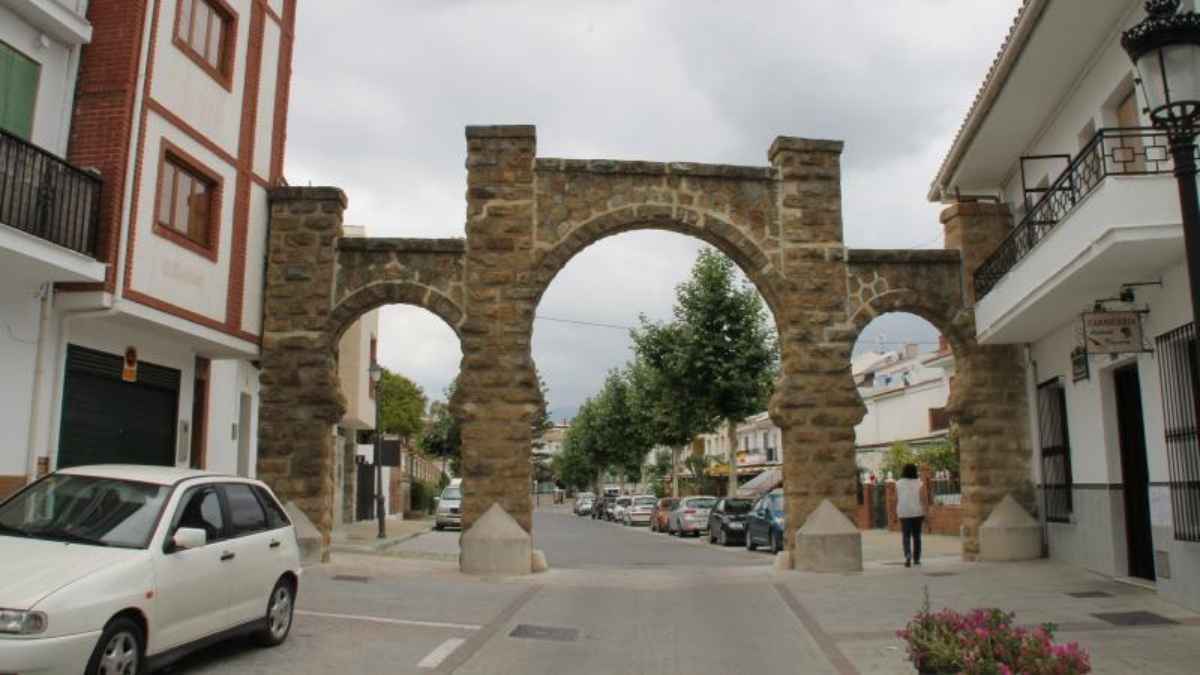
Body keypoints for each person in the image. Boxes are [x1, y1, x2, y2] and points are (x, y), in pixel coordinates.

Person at [895, 463, 927, 568]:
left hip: (903, 512)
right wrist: (926, 511)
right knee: (917, 536)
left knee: (906, 535)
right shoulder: (920, 483)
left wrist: (895, 512)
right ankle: (916, 558)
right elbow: (923, 498)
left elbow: (896, 498)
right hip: (917, 512)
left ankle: (907, 555)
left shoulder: (898, 483)